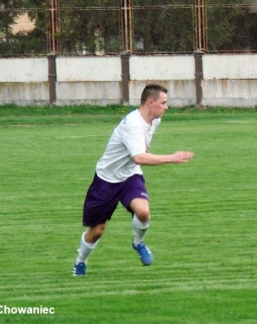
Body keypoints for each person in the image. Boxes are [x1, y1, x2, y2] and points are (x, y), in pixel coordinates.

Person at [72, 84, 194, 276]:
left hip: (130, 176)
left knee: (143, 212)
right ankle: (80, 261)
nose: (166, 107)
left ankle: (138, 243)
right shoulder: (133, 123)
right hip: (107, 179)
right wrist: (172, 157)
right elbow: (139, 157)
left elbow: (141, 152)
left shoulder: (154, 121)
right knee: (97, 230)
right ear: (150, 102)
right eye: (163, 103)